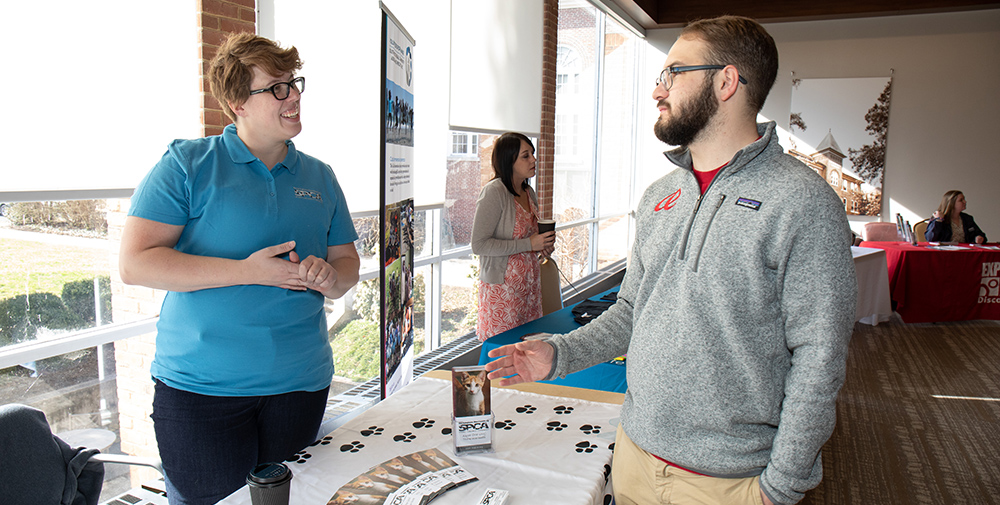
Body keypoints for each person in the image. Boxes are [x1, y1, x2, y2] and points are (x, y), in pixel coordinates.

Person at [485, 16, 857, 505]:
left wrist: (779, 487)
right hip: (634, 459)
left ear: (726, 81)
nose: (657, 91)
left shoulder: (803, 203)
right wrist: (561, 353)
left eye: (673, 73)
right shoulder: (662, 195)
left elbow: (819, 358)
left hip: (731, 483)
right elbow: (631, 311)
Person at [119, 32, 360, 505]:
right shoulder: (187, 165)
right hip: (202, 393)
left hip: (301, 384)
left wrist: (332, 280)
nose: (292, 96)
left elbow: (347, 262)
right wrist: (248, 271)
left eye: (293, 83)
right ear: (236, 103)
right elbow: (136, 263)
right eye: (275, 88)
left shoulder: (321, 176)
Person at [470, 132, 555, 342]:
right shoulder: (494, 192)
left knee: (528, 351)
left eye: (532, 154)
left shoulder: (528, 191)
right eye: (525, 156)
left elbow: (529, 239)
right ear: (509, 160)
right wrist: (529, 243)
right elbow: (479, 244)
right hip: (503, 292)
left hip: (529, 288)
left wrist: (541, 245)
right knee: (503, 354)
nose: (533, 160)